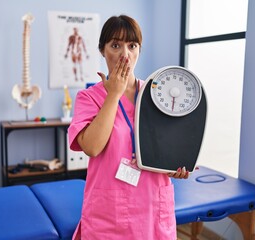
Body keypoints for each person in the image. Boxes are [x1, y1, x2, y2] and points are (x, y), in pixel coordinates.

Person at [68, 15, 189, 240]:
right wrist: (113, 93)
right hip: (110, 212)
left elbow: (166, 147)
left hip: (154, 207)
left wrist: (174, 166)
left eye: (132, 46)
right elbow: (92, 147)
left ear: (139, 50)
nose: (125, 54)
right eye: (115, 45)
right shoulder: (89, 98)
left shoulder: (158, 94)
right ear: (102, 50)